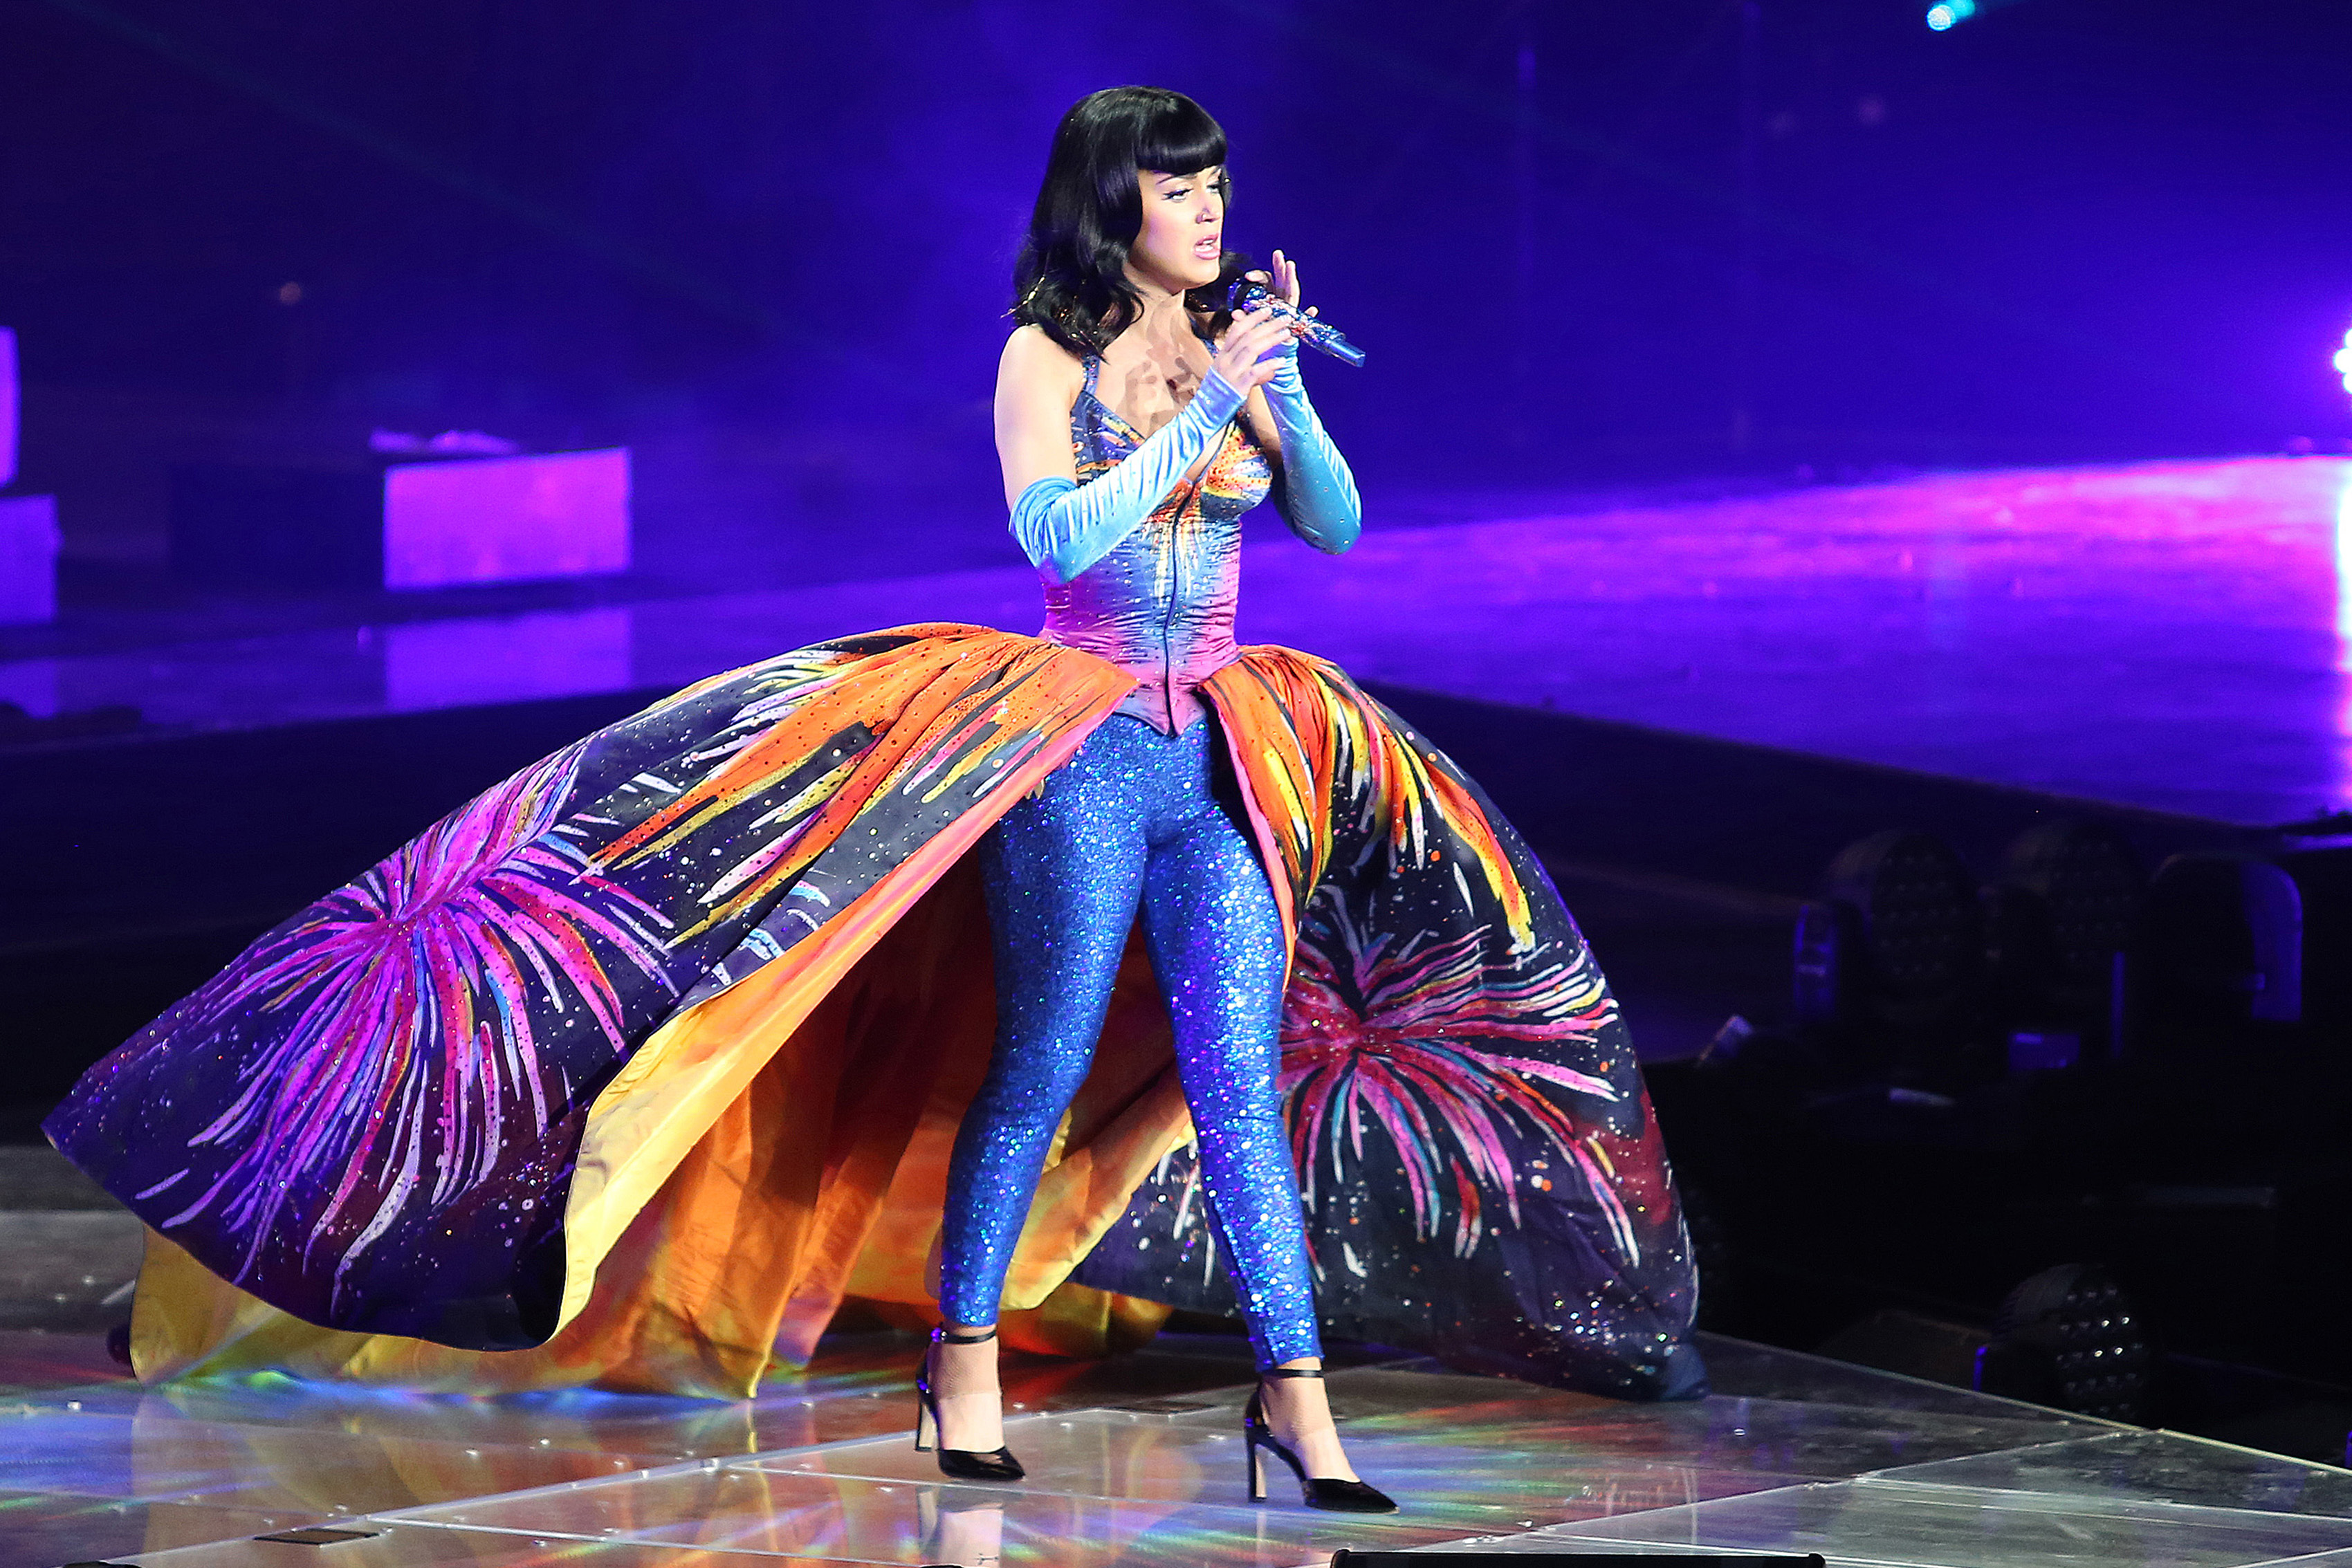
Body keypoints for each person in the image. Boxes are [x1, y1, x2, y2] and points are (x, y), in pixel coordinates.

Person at [44, 86, 1704, 1515]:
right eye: (1179, 188)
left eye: (1216, 186)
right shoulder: (1040, 357)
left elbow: (1329, 523)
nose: (1208, 212)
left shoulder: (1225, 346)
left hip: (1223, 757)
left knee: (1233, 1087)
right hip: (1075, 743)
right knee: (1037, 1066)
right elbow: (1055, 539)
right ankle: (958, 1362)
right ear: (1111, 205)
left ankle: (1297, 1404)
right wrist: (1203, 405)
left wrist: (1278, 385)